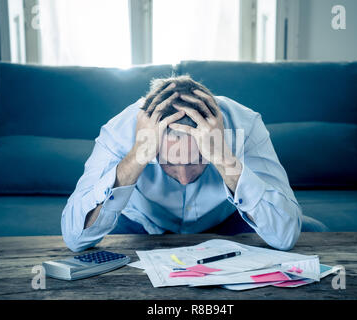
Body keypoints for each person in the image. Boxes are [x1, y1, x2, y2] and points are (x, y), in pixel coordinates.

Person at [61, 75, 327, 252]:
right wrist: (138, 155)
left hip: (225, 221)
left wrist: (222, 157)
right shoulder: (119, 131)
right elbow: (74, 238)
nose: (185, 177)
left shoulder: (245, 124)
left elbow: (285, 235)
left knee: (313, 231)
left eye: (198, 160)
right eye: (169, 163)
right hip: (141, 224)